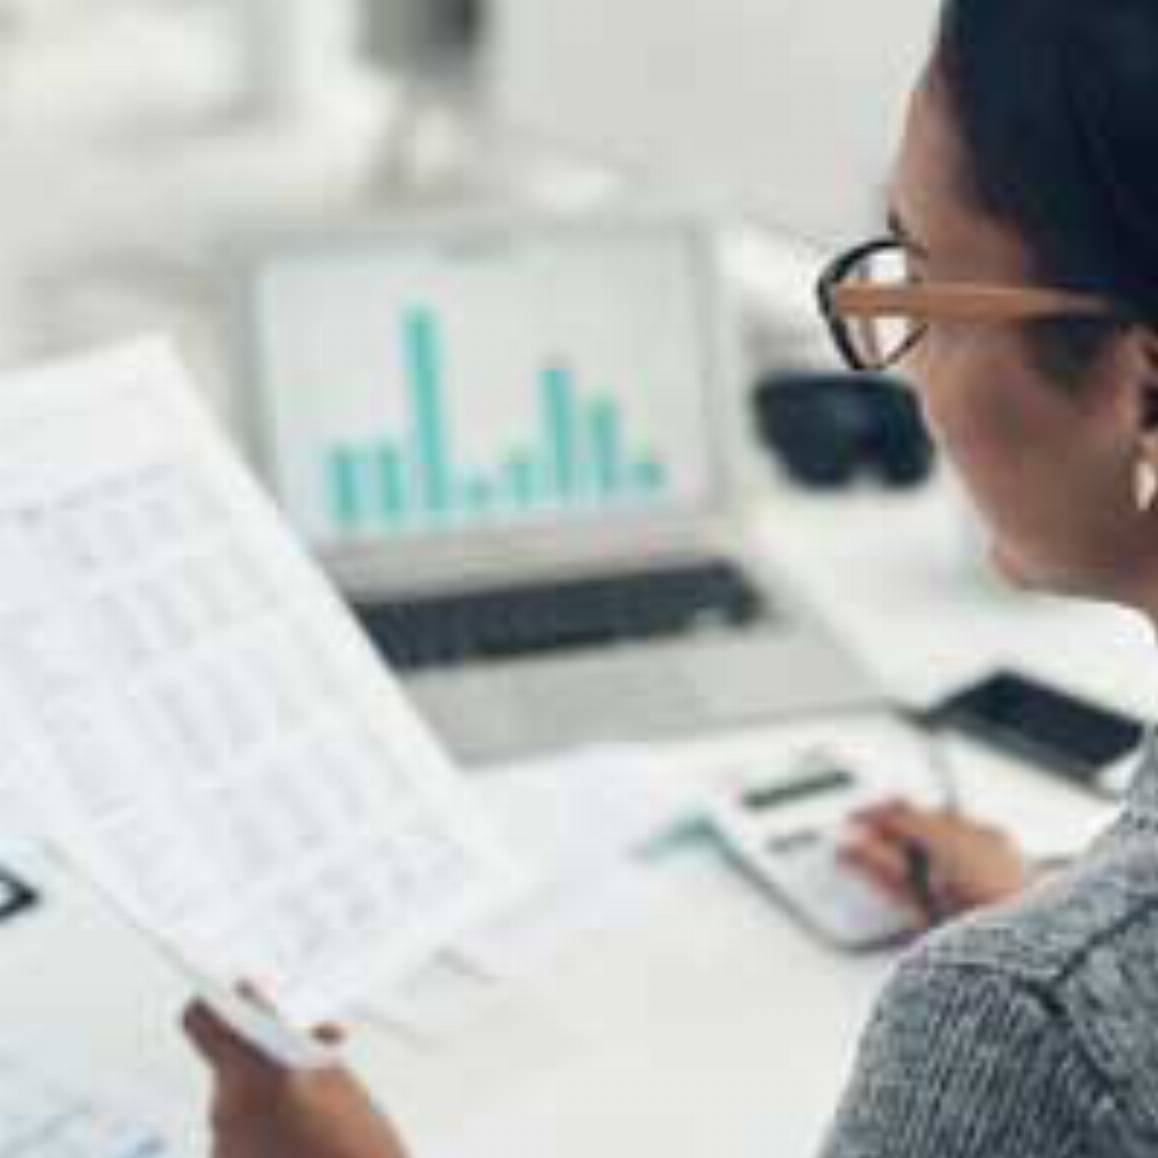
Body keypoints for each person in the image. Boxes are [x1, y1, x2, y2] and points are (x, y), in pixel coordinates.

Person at [185, 0, 1158, 1152]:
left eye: (927, 294)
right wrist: (1064, 921)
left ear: (1143, 388)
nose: (915, 378)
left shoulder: (1017, 1029)